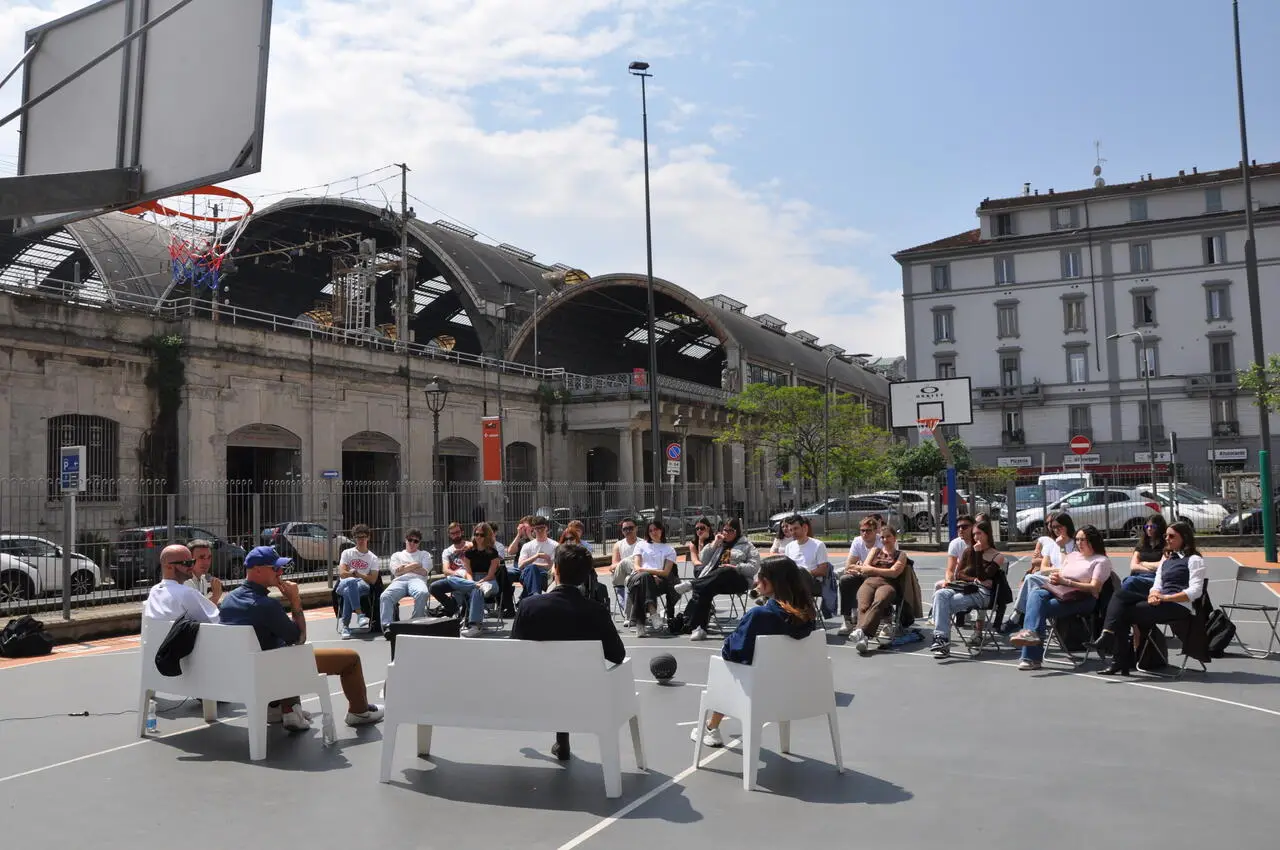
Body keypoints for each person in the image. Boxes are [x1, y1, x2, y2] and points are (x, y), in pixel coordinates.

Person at [219, 546, 383, 730]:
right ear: (257, 570)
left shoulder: (227, 600)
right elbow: (299, 638)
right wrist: (295, 600)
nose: (280, 572)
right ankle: (359, 712)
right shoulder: (266, 605)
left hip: (248, 673)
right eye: (275, 568)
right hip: (275, 669)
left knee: (280, 651)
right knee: (350, 659)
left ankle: (279, 709)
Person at [510, 542, 626, 761]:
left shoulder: (529, 607)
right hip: (585, 696)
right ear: (584, 577)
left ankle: (561, 739)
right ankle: (562, 738)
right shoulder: (596, 612)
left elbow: (514, 652)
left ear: (556, 570)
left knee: (553, 679)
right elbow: (617, 655)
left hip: (532, 696)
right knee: (565, 681)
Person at [690, 556, 816, 748]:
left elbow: (735, 651)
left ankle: (710, 727)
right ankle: (710, 727)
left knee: (728, 665)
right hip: (798, 690)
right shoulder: (808, 616)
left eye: (760, 577)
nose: (757, 582)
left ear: (769, 582)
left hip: (759, 692)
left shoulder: (759, 616)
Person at [1092, 520, 1206, 676]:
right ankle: (1110, 641)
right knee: (1120, 595)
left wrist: (1165, 598)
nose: (1167, 539)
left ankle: (1117, 657)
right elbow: (1157, 584)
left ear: (1184, 537)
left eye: (1172, 536)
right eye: (1166, 535)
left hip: (1179, 607)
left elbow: (1195, 591)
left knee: (1122, 613)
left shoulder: (1195, 560)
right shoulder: (1167, 559)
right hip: (1160, 601)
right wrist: (1153, 594)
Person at [1008, 524, 1113, 670]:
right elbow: (1062, 572)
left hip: (1082, 598)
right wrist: (1056, 577)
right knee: (1035, 594)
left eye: (1083, 539)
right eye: (1077, 539)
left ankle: (1031, 655)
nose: (1079, 543)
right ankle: (1031, 637)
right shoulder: (1073, 556)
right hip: (1059, 591)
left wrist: (1066, 582)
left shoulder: (1101, 561)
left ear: (1093, 540)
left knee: (1038, 608)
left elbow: (1095, 588)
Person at [674, 518, 760, 640]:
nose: (726, 533)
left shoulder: (747, 546)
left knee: (726, 569)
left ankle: (692, 584)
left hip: (737, 580)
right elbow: (702, 560)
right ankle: (700, 628)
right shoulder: (719, 544)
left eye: (731, 530)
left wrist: (736, 567)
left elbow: (754, 567)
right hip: (716, 580)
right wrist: (714, 544)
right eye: (725, 530)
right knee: (704, 589)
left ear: (737, 532)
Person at [929, 520, 1005, 658]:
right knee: (940, 595)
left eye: (979, 534)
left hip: (982, 594)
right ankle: (941, 639)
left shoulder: (997, 556)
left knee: (943, 605)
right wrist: (973, 579)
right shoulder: (968, 551)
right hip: (963, 587)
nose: (976, 537)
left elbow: (983, 576)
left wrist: (978, 554)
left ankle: (942, 642)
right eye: (974, 534)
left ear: (987, 534)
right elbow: (959, 574)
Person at [1000, 512, 1076, 634]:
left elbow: (1068, 568)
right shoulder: (1052, 545)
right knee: (1033, 590)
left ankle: (1017, 616)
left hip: (1066, 581)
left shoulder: (1075, 544)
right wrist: (1057, 569)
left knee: (1031, 578)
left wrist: (1062, 548)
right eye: (1054, 527)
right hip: (1052, 579)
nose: (1056, 530)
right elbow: (1044, 568)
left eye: (1060, 526)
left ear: (1067, 526)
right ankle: (1029, 630)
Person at [838, 526, 908, 652]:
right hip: (869, 582)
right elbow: (865, 568)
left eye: (888, 536)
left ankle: (861, 632)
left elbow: (894, 573)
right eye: (882, 537)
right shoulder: (875, 550)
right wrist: (872, 570)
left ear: (894, 538)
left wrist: (872, 570)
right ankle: (863, 637)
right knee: (863, 605)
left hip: (887, 584)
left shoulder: (901, 555)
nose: (885, 539)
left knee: (879, 601)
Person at [430, 523, 503, 637]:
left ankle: (475, 626)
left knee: (477, 590)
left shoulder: (493, 552)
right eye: (476, 534)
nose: (478, 537)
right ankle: (458, 608)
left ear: (487, 535)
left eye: (481, 535)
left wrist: (481, 582)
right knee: (445, 582)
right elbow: (468, 572)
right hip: (471, 579)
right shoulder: (469, 552)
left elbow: (491, 574)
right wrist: (473, 583)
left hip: (489, 581)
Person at [143, 544, 220, 623]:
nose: (191, 566)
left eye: (192, 562)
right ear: (169, 566)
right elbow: (213, 621)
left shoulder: (154, 590)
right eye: (186, 563)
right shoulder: (186, 593)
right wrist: (216, 597)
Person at [627, 520, 678, 637]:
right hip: (636, 577)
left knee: (642, 585)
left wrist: (651, 575)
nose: (653, 532)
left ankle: (640, 624)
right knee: (644, 578)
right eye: (650, 530)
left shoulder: (669, 550)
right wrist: (651, 575)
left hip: (657, 581)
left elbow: (665, 572)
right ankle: (653, 613)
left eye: (656, 529)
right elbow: (637, 567)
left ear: (662, 530)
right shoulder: (640, 545)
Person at [379, 529, 434, 630]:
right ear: (405, 540)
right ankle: (387, 627)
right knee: (385, 596)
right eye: (410, 540)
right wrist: (416, 564)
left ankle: (415, 623)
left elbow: (424, 572)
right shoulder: (397, 555)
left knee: (423, 593)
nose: (412, 543)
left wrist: (405, 567)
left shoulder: (424, 554)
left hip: (417, 580)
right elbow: (396, 572)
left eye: (416, 541)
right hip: (399, 581)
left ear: (419, 543)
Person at [782, 515, 833, 616]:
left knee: (800, 573)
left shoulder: (818, 545)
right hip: (793, 582)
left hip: (814, 583)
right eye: (791, 529)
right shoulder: (789, 547)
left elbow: (823, 570)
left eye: (796, 528)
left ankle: (804, 614)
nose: (793, 532)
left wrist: (803, 573)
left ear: (805, 528)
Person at [336, 524, 380, 638]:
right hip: (344, 583)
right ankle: (360, 615)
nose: (361, 540)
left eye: (363, 537)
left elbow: (373, 580)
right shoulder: (347, 553)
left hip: (363, 586)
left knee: (347, 592)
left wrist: (358, 574)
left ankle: (345, 626)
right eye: (358, 537)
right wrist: (352, 574)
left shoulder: (373, 558)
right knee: (350, 583)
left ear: (368, 538)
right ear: (354, 538)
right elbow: (342, 573)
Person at [516, 516, 558, 598]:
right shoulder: (527, 546)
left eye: (542, 528)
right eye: (536, 528)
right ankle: (535, 597)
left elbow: (552, 566)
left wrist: (533, 565)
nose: (539, 531)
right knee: (531, 570)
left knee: (532, 569)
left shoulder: (555, 545)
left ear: (546, 528)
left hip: (545, 576)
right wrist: (536, 556)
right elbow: (520, 566)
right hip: (527, 575)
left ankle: (530, 598)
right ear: (533, 529)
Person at [1124, 514, 1167, 593]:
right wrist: (1152, 569)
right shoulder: (1141, 544)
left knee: (1129, 582)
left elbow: (1162, 565)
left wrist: (1143, 563)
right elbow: (1133, 566)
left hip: (1155, 578)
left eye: (1153, 527)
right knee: (1127, 582)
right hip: (1138, 576)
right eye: (1147, 527)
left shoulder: (1166, 545)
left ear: (1160, 528)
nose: (1149, 529)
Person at [610, 517, 641, 620]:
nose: (628, 531)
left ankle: (633, 614)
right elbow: (613, 566)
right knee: (625, 561)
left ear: (636, 528)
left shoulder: (643, 543)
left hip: (634, 578)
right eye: (625, 529)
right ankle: (633, 574)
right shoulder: (618, 545)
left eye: (630, 528)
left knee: (629, 578)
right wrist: (629, 560)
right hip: (620, 577)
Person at [936, 515, 975, 591]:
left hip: (974, 579)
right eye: (958, 527)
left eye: (964, 527)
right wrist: (948, 581)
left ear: (973, 527)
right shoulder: (955, 543)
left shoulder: (979, 543)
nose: (960, 529)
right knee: (938, 586)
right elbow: (950, 570)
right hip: (960, 579)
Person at [184, 538, 223, 606]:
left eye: (209, 557)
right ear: (190, 560)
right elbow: (196, 613)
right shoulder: (186, 582)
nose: (206, 562)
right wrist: (215, 597)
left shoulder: (203, 579)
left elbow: (201, 605)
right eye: (201, 557)